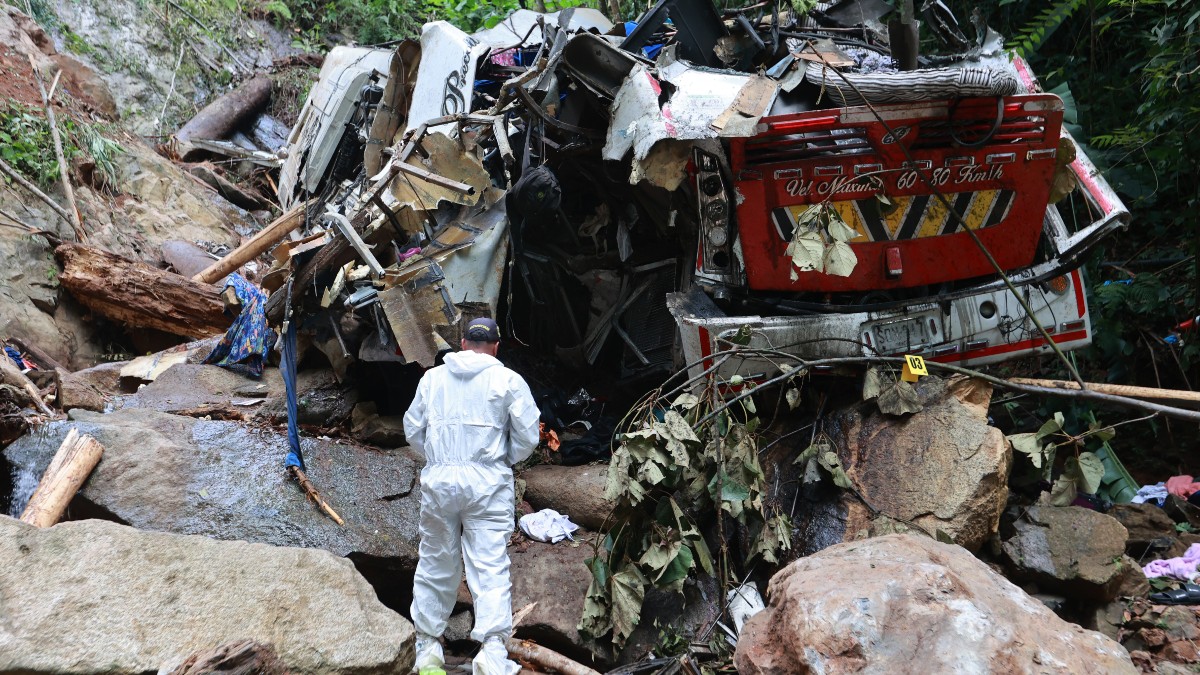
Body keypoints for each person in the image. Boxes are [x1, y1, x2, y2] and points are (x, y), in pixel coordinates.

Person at [403, 317, 540, 675]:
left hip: (440, 482)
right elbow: (528, 438)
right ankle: (492, 655)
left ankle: (428, 649)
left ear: (462, 343)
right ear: (496, 347)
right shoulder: (508, 381)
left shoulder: (432, 379)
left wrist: (439, 459)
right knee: (490, 565)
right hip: (488, 484)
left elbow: (412, 430)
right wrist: (502, 461)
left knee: (435, 563)